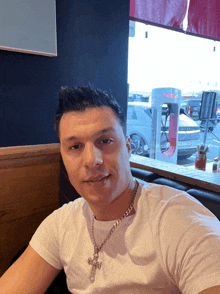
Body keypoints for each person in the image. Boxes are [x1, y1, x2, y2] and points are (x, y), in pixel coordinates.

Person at [0, 85, 220, 294]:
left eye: (105, 141)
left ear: (127, 147)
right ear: (63, 157)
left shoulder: (179, 221)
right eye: (75, 147)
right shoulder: (62, 223)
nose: (91, 160)